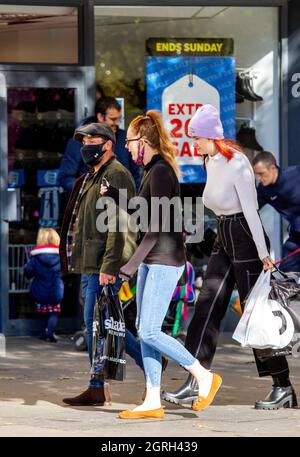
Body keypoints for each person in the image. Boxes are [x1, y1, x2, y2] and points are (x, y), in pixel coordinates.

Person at [162, 104, 297, 411]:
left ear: (211, 135)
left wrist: (264, 254)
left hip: (246, 238)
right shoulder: (209, 159)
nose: (194, 142)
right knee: (206, 305)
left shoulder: (236, 162)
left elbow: (250, 209)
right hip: (224, 234)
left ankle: (282, 386)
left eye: (197, 136)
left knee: (256, 313)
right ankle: (195, 379)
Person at [101, 110, 222, 420]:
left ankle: (203, 376)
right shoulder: (153, 170)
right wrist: (115, 195)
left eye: (128, 141)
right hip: (153, 262)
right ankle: (153, 398)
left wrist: (126, 269)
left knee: (150, 330)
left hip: (165, 261)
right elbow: (143, 212)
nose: (126, 147)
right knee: (145, 331)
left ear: (144, 141)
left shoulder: (161, 172)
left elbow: (154, 230)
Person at [59, 122, 141, 406]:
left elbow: (120, 227)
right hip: (89, 263)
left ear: (108, 144)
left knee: (100, 325)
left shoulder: (117, 175)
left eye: (92, 139)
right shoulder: (92, 176)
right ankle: (98, 384)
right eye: (83, 140)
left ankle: (143, 365)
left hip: (104, 265)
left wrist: (110, 266)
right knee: (102, 324)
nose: (86, 145)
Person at [58, 96, 141, 194]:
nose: (117, 123)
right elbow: (65, 177)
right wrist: (88, 191)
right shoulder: (79, 141)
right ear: (100, 117)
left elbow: (136, 175)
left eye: (119, 119)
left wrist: (132, 200)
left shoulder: (125, 138)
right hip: (91, 204)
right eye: (113, 119)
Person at [252, 151, 300, 272]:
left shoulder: (295, 174)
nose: (259, 178)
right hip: (296, 237)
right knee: (285, 274)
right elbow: (251, 210)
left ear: (272, 168)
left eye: (261, 174)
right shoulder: (263, 190)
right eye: (256, 175)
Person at [24, 228, 64, 343]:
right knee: (54, 312)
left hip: (39, 289)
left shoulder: (35, 256)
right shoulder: (60, 255)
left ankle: (43, 334)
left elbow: (28, 272)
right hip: (56, 289)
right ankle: (50, 332)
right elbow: (65, 271)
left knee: (42, 311)